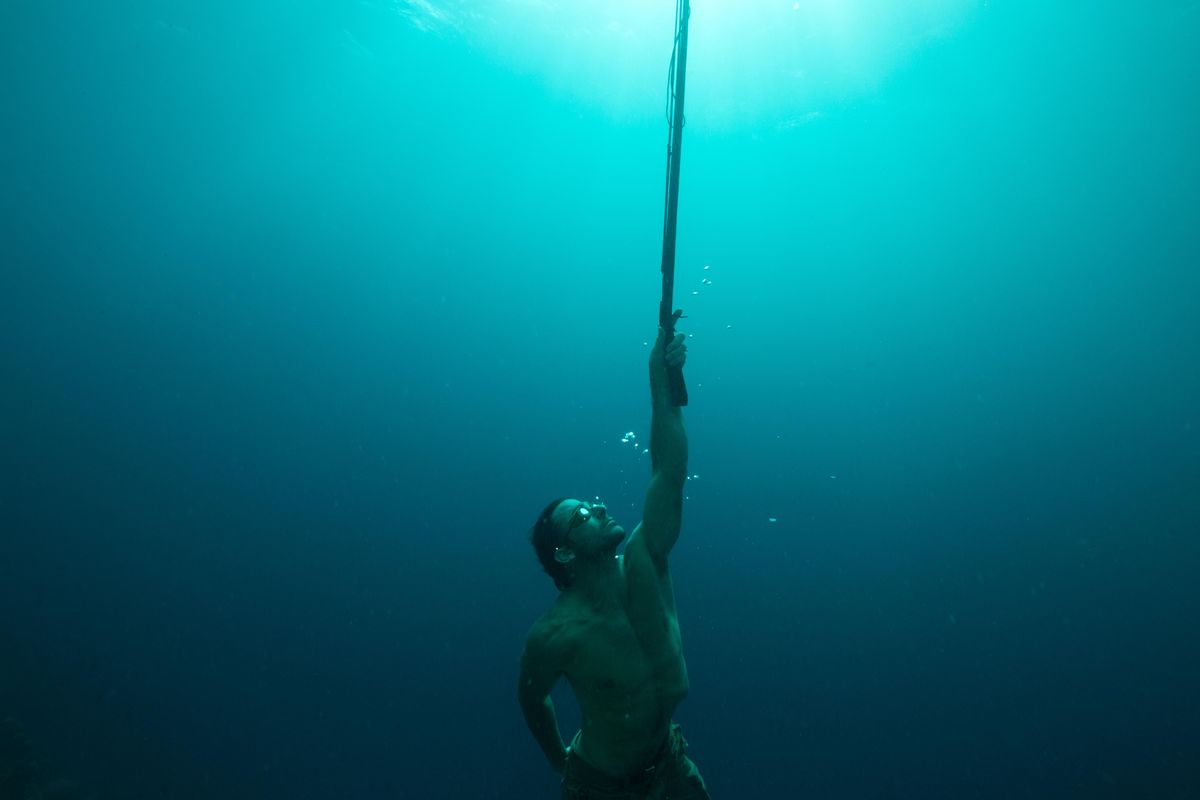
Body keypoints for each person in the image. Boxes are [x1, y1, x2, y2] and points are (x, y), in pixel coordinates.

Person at [519, 311, 711, 799]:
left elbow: (669, 470)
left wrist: (661, 380)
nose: (598, 506)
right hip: (602, 789)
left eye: (590, 503)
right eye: (581, 516)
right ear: (564, 552)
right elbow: (531, 696)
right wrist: (559, 760)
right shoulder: (555, 634)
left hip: (670, 765)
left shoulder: (646, 558)